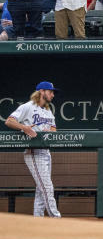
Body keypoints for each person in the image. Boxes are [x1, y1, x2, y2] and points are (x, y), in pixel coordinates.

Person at [5, 81, 62, 218]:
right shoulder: (28, 107)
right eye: (51, 91)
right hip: (34, 151)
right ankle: (56, 218)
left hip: (46, 152)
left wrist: (50, 131)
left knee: (41, 189)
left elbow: (54, 129)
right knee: (47, 188)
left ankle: (38, 220)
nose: (53, 95)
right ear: (42, 91)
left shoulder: (48, 110)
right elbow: (9, 121)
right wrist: (24, 128)